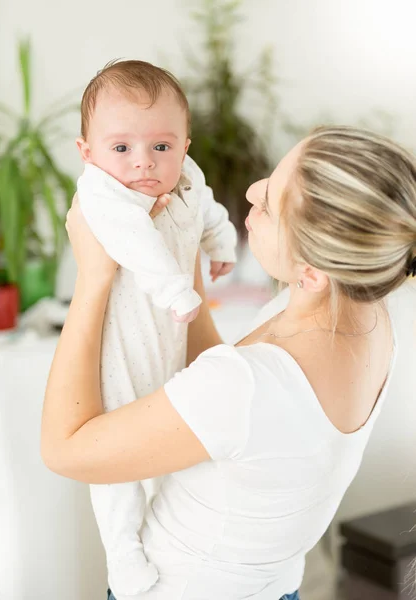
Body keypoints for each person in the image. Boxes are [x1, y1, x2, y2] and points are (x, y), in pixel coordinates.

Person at [42, 126, 416, 600]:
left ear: (311, 272)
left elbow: (65, 450)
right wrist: (182, 248)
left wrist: (93, 275)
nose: (251, 191)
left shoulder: (250, 384)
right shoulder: (366, 313)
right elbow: (227, 402)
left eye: (268, 204)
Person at [73, 59, 237, 599]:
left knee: (171, 459)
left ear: (185, 144)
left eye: (162, 147)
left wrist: (221, 245)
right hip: (116, 355)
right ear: (88, 152)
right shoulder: (101, 193)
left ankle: (168, 535)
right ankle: (122, 554)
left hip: (168, 348)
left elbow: (207, 210)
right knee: (115, 463)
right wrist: (176, 290)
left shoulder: (187, 180)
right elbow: (136, 243)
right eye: (121, 148)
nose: (143, 163)